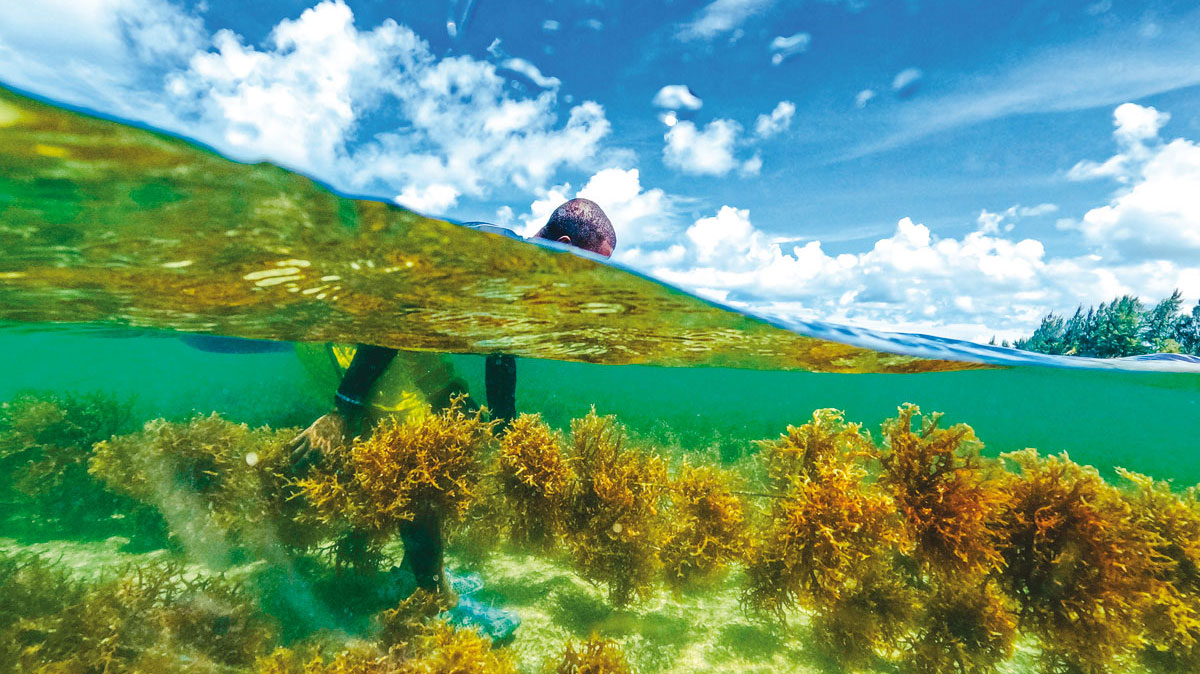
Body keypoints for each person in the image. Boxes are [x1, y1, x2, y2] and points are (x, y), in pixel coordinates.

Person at [286, 198, 617, 600]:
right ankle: (431, 594)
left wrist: (504, 431)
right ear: (565, 247)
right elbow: (397, 319)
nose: (594, 282)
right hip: (354, 333)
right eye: (593, 267)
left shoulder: (527, 282)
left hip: (406, 340)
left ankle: (413, 571)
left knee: (462, 421)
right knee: (416, 452)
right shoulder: (488, 257)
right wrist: (343, 409)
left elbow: (500, 352)